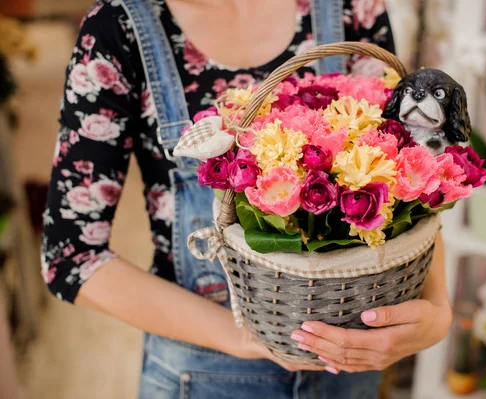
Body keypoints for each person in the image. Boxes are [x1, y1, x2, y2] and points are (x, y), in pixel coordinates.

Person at [41, 0, 452, 398]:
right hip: (206, 373)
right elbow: (73, 259)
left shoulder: (350, 8)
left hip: (348, 373)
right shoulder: (119, 26)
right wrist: (250, 335)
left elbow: (410, 163)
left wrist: (437, 310)